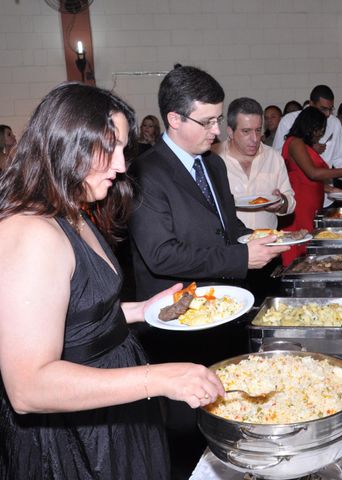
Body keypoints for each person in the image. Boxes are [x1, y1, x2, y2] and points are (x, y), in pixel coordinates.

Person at [0, 83, 225, 479]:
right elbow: (28, 387)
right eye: (111, 148)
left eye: (125, 149)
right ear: (68, 144)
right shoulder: (30, 233)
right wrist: (160, 378)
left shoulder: (73, 207)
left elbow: (69, 313)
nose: (122, 166)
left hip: (112, 410)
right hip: (73, 437)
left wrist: (139, 310)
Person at [128, 65, 289, 300]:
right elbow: (162, 255)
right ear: (175, 119)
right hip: (179, 312)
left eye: (218, 119)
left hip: (224, 300)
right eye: (206, 122)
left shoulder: (213, 163)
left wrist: (264, 240)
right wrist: (241, 258)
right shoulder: (146, 172)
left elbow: (227, 227)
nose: (216, 130)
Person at [281, 107, 342, 265]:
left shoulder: (302, 144)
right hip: (301, 206)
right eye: (320, 129)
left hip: (310, 205)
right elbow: (313, 174)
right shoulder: (295, 143)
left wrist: (328, 189)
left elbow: (302, 176)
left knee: (308, 248)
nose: (320, 134)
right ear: (310, 126)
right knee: (299, 251)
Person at [217, 97, 295, 230]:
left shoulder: (273, 157)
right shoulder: (215, 159)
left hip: (267, 244)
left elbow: (290, 202)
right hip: (230, 248)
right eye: (246, 131)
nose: (254, 139)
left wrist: (281, 202)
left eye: (258, 130)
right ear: (230, 132)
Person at [273, 85, 342, 206]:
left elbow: (339, 158)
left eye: (330, 109)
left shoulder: (334, 123)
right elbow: (278, 159)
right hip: (298, 195)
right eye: (323, 109)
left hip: (325, 195)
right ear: (311, 104)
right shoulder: (289, 122)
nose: (327, 114)